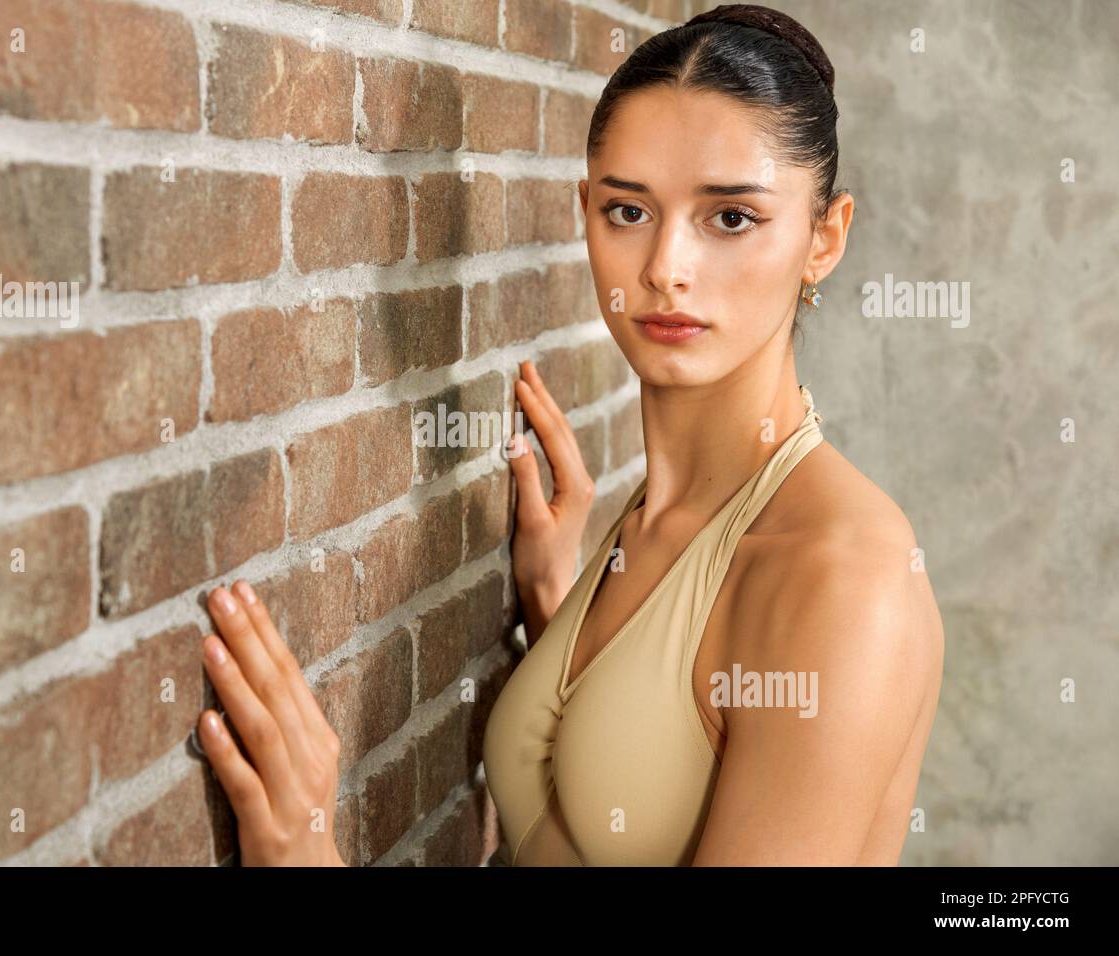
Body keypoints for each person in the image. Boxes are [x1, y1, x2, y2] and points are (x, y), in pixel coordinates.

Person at [194, 3, 944, 866]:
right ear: (587, 211)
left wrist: (305, 853)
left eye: (730, 218)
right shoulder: (644, 528)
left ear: (825, 237)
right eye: (629, 212)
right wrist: (568, 615)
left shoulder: (844, 577)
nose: (666, 267)